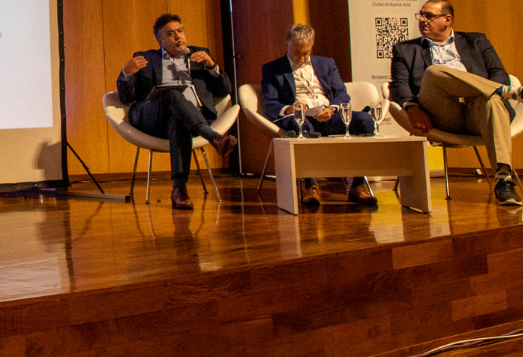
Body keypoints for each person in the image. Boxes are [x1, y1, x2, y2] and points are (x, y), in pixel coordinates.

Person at [387, 0, 523, 207]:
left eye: (429, 16)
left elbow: (499, 73)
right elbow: (399, 84)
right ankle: (515, 94)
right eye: (420, 15)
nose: (422, 20)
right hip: (441, 113)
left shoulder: (477, 41)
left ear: (447, 20)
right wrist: (411, 107)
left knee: (492, 102)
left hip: (477, 112)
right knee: (433, 72)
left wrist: (476, 92)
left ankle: (504, 180)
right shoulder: (405, 49)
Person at [117, 13, 237, 210]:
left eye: (180, 31)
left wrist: (212, 66)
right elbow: (126, 98)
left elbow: (225, 90)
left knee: (178, 119)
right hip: (153, 116)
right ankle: (213, 137)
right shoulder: (147, 58)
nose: (178, 37)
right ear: (160, 40)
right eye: (170, 34)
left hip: (190, 118)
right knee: (172, 93)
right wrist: (126, 73)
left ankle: (179, 190)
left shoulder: (200, 56)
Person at [260, 24, 379, 208]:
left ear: (312, 46)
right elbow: (270, 103)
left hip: (327, 114)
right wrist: (290, 109)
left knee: (365, 120)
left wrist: (331, 109)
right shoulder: (272, 68)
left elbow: (342, 93)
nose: (301, 58)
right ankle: (310, 185)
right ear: (287, 43)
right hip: (301, 117)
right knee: (303, 126)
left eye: (306, 53)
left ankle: (358, 184)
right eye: (297, 52)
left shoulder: (326, 64)